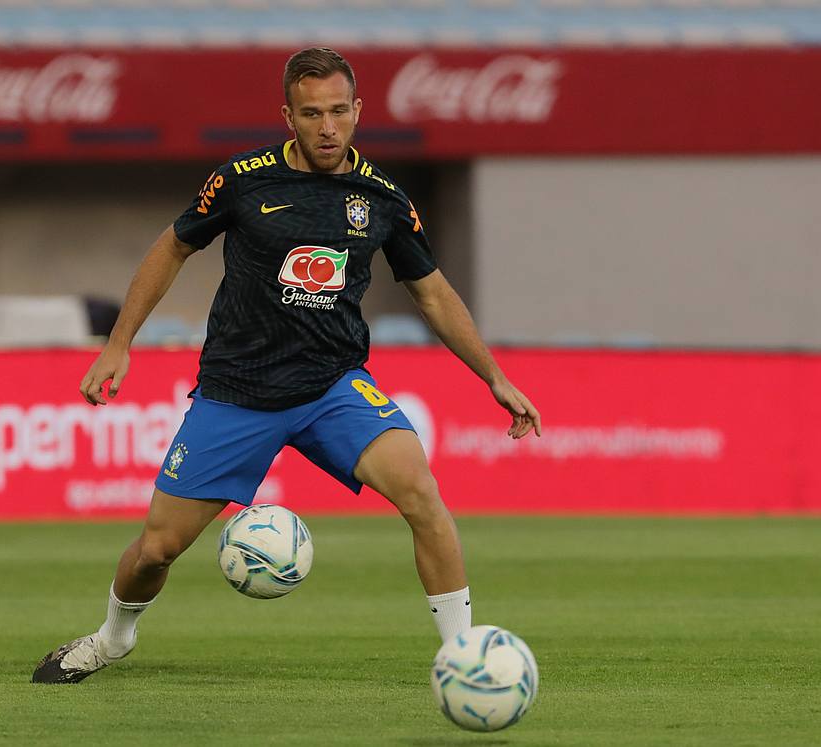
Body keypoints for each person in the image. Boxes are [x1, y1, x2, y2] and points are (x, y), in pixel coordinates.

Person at [32, 47, 541, 685]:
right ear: (288, 116)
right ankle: (113, 637)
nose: (327, 127)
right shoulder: (244, 180)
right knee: (156, 549)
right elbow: (173, 247)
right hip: (237, 393)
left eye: (337, 112)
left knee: (422, 495)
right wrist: (119, 341)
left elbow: (432, 293)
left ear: (357, 112)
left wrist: (493, 376)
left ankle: (462, 657)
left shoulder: (381, 199)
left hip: (334, 386)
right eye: (311, 114)